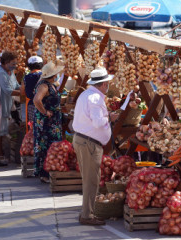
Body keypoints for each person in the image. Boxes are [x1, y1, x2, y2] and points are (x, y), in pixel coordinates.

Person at [72, 67, 118, 226]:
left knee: (89, 179)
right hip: (89, 142)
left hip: (82, 139)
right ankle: (87, 215)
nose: (108, 86)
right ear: (103, 84)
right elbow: (98, 122)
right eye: (107, 84)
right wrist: (109, 117)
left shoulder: (86, 94)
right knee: (91, 180)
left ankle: (86, 212)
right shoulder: (95, 99)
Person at [33, 61, 64, 183]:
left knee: (50, 144)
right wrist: (45, 112)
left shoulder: (49, 84)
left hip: (52, 121)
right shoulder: (44, 86)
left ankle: (48, 170)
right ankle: (44, 173)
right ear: (53, 75)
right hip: (47, 122)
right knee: (46, 145)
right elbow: (37, 100)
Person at [0, 51, 20, 161]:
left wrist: (23, 87)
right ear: (5, 62)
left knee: (3, 129)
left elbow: (16, 85)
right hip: (1, 104)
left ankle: (3, 154)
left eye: (15, 63)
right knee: (0, 131)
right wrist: (23, 93)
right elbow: (8, 90)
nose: (15, 66)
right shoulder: (0, 72)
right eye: (13, 63)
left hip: (8, 104)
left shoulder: (11, 72)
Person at [24, 56, 43, 122]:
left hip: (32, 105)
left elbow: (22, 92)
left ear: (29, 66)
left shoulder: (26, 77)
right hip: (44, 104)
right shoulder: (45, 75)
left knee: (33, 126)